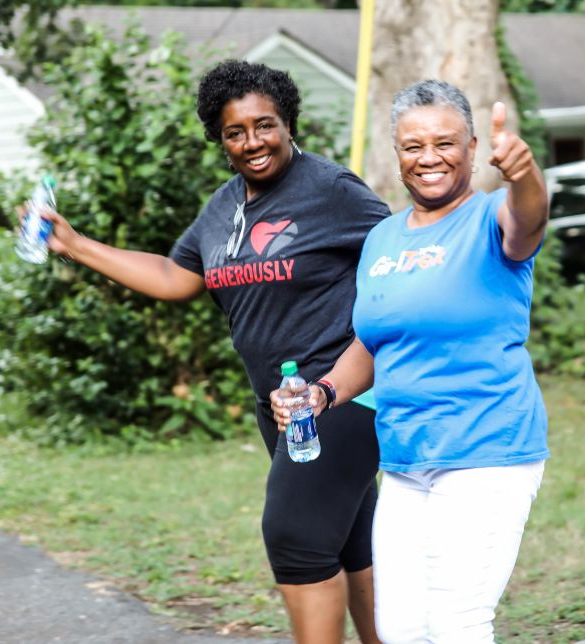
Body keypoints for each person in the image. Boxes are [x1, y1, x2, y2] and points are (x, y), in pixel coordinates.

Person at [35, 60, 389, 644]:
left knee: (296, 537)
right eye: (235, 131)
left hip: (337, 396)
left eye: (265, 125)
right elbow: (177, 275)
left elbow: (399, 251)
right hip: (272, 406)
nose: (253, 142)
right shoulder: (224, 206)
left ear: (288, 123)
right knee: (350, 542)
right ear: (218, 138)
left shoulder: (331, 190)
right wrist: (73, 244)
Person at [274, 79, 550, 642]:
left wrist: (524, 175)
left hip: (485, 452)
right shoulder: (382, 239)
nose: (429, 158)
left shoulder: (493, 217)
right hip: (404, 460)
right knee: (398, 630)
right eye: (412, 146)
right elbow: (373, 344)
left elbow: (529, 219)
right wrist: (322, 393)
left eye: (445, 143)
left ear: (473, 147)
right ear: (396, 153)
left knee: (457, 625)